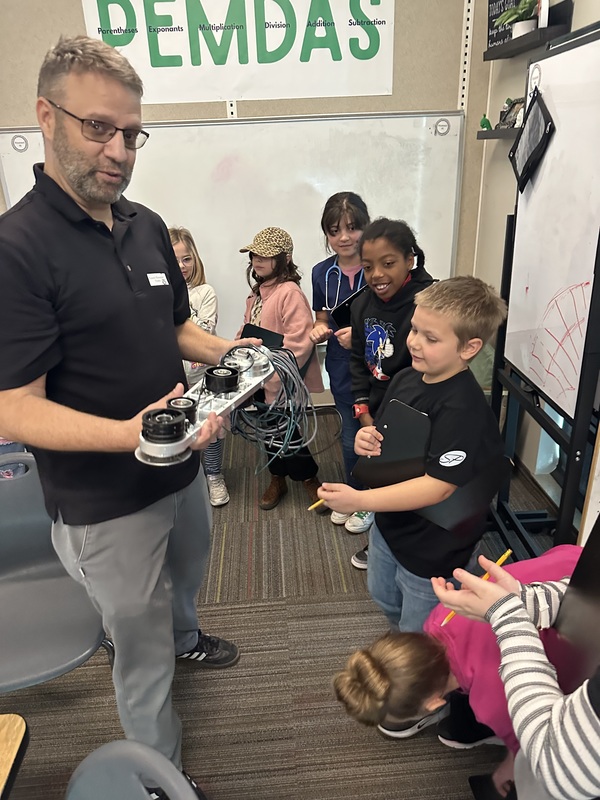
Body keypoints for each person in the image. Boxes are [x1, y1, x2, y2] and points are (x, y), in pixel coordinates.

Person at [0, 36, 259, 797]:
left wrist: (231, 356)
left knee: (187, 577)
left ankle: (189, 639)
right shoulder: (17, 250)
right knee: (139, 655)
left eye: (132, 133)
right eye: (98, 128)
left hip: (176, 468)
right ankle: (161, 774)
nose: (119, 151)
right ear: (46, 117)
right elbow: (16, 409)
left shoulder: (145, 223)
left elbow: (176, 327)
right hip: (103, 502)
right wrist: (131, 437)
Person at [318, 276, 507, 632]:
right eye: (415, 330)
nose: (414, 343)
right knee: (383, 595)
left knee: (422, 627)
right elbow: (390, 435)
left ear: (469, 348)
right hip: (392, 525)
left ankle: (422, 668)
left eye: (430, 338)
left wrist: (360, 498)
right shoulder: (406, 377)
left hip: (433, 545)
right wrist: (367, 440)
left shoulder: (463, 409)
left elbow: (439, 487)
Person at [334, 545, 586, 796]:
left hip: (588, 608)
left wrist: (508, 769)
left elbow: (536, 746)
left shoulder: (494, 703)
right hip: (577, 561)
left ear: (433, 705)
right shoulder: (441, 613)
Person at [432, 550, 600, 800]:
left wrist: (508, 615)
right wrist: (523, 599)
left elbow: (561, 765)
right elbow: (589, 598)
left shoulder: (489, 701)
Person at [347, 218, 435, 567]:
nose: (377, 275)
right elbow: (357, 360)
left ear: (410, 260)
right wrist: (363, 410)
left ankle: (414, 551)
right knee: (383, 477)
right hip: (378, 410)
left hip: (418, 411)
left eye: (388, 263)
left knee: (415, 482)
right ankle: (383, 545)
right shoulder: (361, 306)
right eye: (368, 267)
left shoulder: (430, 303)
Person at [237, 226, 325, 511]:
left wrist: (274, 374)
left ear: (284, 259)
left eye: (265, 256)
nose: (256, 260)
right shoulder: (257, 294)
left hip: (282, 379)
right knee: (268, 429)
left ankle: (308, 478)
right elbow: (247, 329)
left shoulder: (290, 293)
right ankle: (279, 477)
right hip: (258, 377)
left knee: (287, 431)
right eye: (254, 255)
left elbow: (299, 342)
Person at [310, 192, 374, 534]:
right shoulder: (322, 273)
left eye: (352, 228)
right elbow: (322, 318)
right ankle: (355, 495)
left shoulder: (379, 265)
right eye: (335, 231)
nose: (344, 237)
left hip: (378, 364)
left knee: (377, 432)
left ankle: (375, 500)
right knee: (350, 437)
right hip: (341, 363)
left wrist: (360, 337)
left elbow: (397, 316)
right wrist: (319, 329)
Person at [169, 226, 229, 507]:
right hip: (171, 377)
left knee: (210, 427)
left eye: (187, 259)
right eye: (174, 260)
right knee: (178, 428)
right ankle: (188, 480)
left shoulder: (205, 292)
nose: (181, 266)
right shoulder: (158, 293)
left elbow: (203, 330)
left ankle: (214, 475)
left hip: (201, 375)